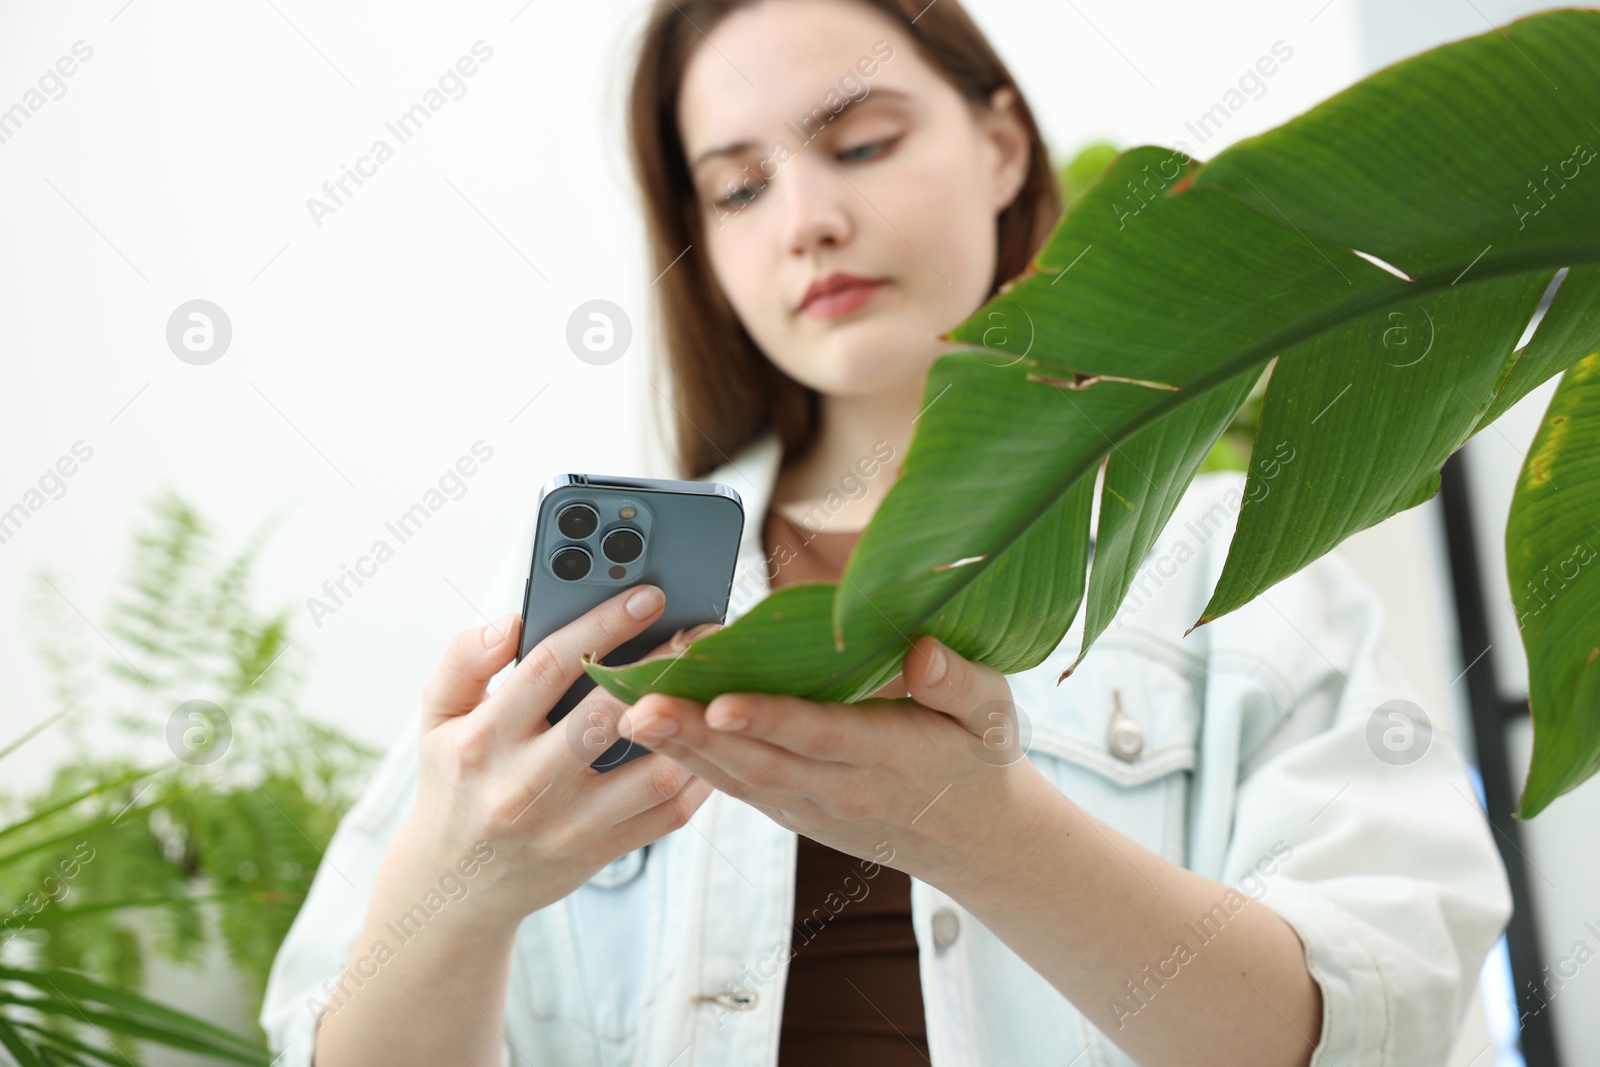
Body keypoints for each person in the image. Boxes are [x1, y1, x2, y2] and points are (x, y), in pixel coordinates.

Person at [261, 0, 1514, 1064]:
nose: (801, 217)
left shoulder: (1234, 571)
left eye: (857, 143)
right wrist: (456, 889)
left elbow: (1383, 1012)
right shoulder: (574, 616)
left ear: (1002, 144)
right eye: (739, 187)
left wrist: (984, 830)